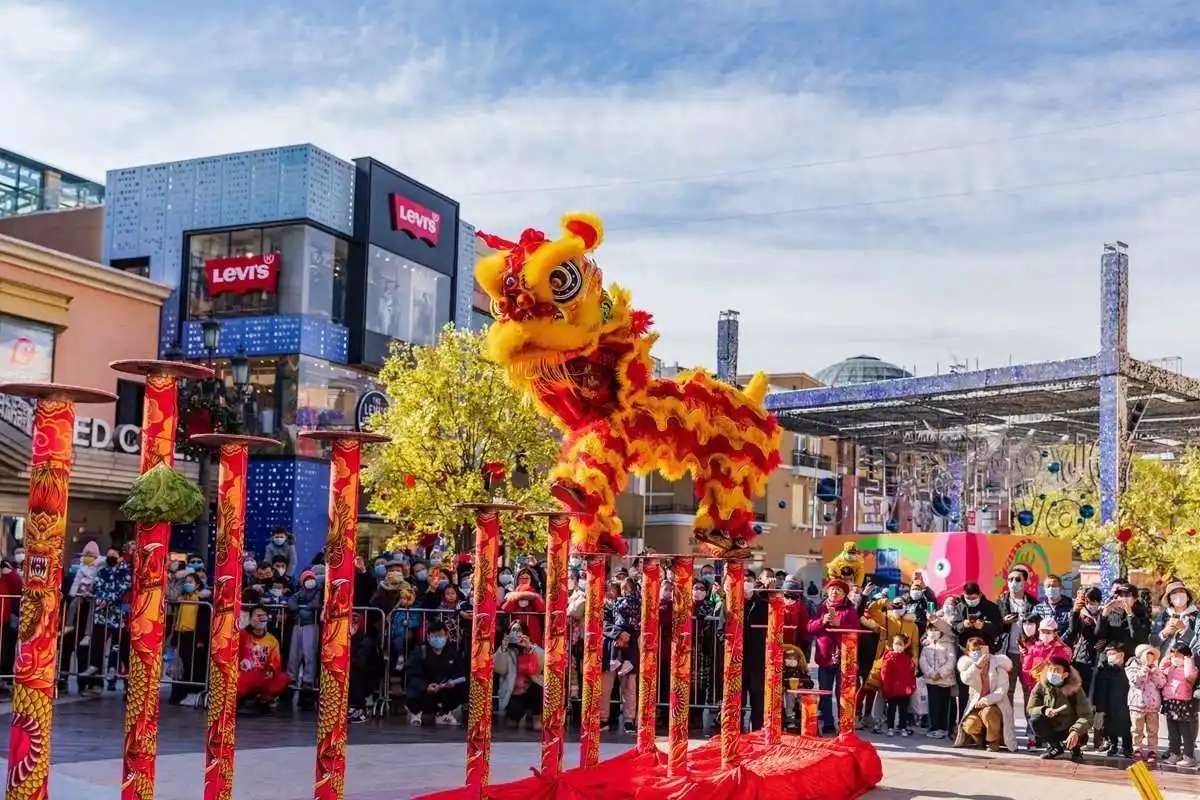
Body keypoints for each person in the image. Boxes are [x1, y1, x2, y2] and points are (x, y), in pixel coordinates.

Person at [806, 579, 861, 735]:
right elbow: (810, 627)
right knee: (825, 691)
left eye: (838, 590)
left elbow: (857, 632)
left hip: (844, 658)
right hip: (824, 656)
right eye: (832, 589)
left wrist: (840, 625)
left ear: (844, 594)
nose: (835, 592)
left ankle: (843, 724)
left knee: (842, 693)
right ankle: (828, 723)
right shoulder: (821, 608)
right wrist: (822, 621)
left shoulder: (850, 611)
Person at [954, 636, 1017, 752]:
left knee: (989, 712)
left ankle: (993, 741)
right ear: (968, 652)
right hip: (976, 705)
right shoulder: (969, 666)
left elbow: (1002, 690)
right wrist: (977, 666)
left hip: (995, 704)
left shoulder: (998, 665)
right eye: (974, 650)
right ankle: (980, 741)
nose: (977, 652)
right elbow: (966, 679)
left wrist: (986, 700)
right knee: (969, 725)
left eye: (980, 649)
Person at [1026, 656, 1092, 762]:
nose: (1052, 673)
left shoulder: (1075, 689)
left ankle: (1076, 750)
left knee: (1080, 732)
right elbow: (1030, 708)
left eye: (1056, 671)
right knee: (1035, 721)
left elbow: (1087, 715)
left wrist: (1076, 730)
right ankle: (1055, 747)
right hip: (1052, 726)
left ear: (1065, 675)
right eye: (1050, 669)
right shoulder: (1041, 686)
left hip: (1069, 727)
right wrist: (1044, 710)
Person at [404, 619, 467, 726]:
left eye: (441, 636)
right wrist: (425, 687)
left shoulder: (452, 652)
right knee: (413, 688)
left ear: (447, 636)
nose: (438, 639)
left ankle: (444, 713)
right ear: (428, 637)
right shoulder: (420, 652)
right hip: (425, 690)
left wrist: (453, 681)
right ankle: (416, 714)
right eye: (434, 636)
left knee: (462, 688)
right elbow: (412, 675)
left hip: (444, 689)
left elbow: (461, 672)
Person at [166, 573, 211, 706]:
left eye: (190, 582)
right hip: (182, 635)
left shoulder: (203, 600)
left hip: (196, 637)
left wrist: (201, 640)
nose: (187, 584)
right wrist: (173, 640)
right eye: (186, 581)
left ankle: (195, 693)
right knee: (181, 667)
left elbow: (204, 622)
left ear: (197, 584)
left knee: (195, 666)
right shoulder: (181, 599)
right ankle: (178, 695)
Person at [494, 620, 546, 729]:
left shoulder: (532, 647)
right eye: (513, 630)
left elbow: (544, 664)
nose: (516, 633)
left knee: (538, 689)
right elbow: (501, 670)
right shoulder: (504, 650)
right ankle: (514, 716)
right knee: (512, 724)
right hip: (513, 692)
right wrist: (503, 649)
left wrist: (529, 648)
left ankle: (536, 717)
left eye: (519, 630)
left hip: (530, 690)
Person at [237, 605, 290, 710]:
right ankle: (242, 699)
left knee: (284, 678)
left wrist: (272, 670)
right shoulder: (243, 635)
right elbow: (233, 645)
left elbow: (276, 661)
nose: (260, 618)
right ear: (251, 618)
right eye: (257, 616)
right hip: (244, 674)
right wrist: (250, 627)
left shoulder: (272, 640)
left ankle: (262, 699)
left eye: (263, 616)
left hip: (262, 675)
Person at [287, 569, 323, 709]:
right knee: (294, 653)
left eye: (311, 578)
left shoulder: (318, 591)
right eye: (306, 578)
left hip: (311, 625)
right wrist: (296, 609)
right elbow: (292, 600)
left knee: (309, 653)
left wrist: (307, 608)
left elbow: (317, 603)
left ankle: (308, 680)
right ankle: (292, 678)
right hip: (298, 624)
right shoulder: (300, 592)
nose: (310, 581)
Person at [1159, 643, 1198, 767]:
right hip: (1170, 702)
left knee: (1186, 732)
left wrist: (1188, 661)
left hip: (1184, 703)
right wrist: (1166, 658)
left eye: (1178, 654)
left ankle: (1189, 756)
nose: (1175, 656)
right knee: (1173, 732)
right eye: (1173, 653)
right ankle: (1174, 753)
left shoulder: (1191, 668)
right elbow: (1161, 670)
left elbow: (1190, 676)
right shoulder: (1170, 667)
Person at [919, 616, 958, 739]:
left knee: (944, 705)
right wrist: (931, 673)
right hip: (931, 680)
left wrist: (941, 673)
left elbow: (951, 660)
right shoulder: (927, 644)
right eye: (931, 629)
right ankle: (933, 727)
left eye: (936, 629)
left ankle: (943, 728)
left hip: (945, 680)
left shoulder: (948, 644)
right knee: (933, 705)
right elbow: (923, 660)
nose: (933, 632)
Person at [1092, 643, 1133, 758]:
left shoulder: (1128, 668)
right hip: (1108, 703)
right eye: (1108, 654)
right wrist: (1099, 705)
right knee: (1109, 726)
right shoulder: (1103, 669)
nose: (1110, 656)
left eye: (1112, 653)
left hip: (1125, 703)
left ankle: (1127, 748)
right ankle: (1113, 745)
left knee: (1126, 727)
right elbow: (1099, 688)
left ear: (1121, 654)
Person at [1127, 643, 1166, 763]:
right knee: (1136, 729)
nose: (1150, 658)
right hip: (1137, 704)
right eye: (1147, 655)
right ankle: (1137, 749)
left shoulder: (1155, 668)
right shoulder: (1132, 666)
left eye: (1152, 656)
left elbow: (1162, 683)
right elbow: (1135, 681)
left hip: (1152, 705)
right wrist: (1144, 670)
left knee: (1153, 730)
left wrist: (1154, 672)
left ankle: (1152, 750)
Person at [600, 622, 639, 735]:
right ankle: (603, 719)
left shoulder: (632, 605)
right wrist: (619, 633)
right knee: (605, 688)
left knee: (629, 687)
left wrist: (628, 634)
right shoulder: (606, 605)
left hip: (629, 649)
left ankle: (629, 720)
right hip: (609, 648)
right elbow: (601, 622)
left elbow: (639, 623)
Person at [347, 611, 382, 724]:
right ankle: (350, 706)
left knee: (354, 672)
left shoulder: (365, 641)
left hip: (367, 677)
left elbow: (359, 662)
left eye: (354, 624)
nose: (352, 627)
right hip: (356, 673)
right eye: (350, 624)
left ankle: (360, 709)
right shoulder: (345, 638)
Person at [880, 633, 917, 736]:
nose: (898, 646)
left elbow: (910, 674)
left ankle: (903, 727)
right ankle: (890, 727)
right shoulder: (888, 658)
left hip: (905, 691)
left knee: (903, 711)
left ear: (904, 645)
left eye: (900, 644)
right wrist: (886, 689)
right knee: (891, 710)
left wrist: (912, 686)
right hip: (892, 690)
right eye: (896, 644)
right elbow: (885, 675)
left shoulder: (907, 658)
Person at [1151, 580, 1198, 655]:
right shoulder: (1163, 616)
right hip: (1166, 663)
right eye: (1174, 593)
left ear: (1188, 597)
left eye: (1181, 591)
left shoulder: (1197, 616)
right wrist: (1164, 633)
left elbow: (1198, 644)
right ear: (1170, 599)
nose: (1178, 594)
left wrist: (1184, 629)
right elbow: (1153, 642)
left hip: (1189, 663)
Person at [782, 643, 813, 732]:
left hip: (800, 691)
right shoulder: (784, 671)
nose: (791, 661)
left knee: (805, 698)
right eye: (789, 658)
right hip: (789, 692)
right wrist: (786, 684)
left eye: (793, 658)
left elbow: (810, 683)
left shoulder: (801, 670)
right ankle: (790, 718)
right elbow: (781, 681)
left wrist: (804, 683)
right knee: (789, 696)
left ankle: (804, 716)